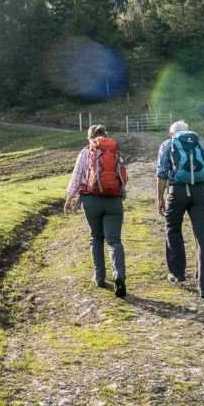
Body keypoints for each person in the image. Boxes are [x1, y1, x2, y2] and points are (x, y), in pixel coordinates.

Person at [156, 119, 204, 297]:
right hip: (200, 193)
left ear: (171, 134)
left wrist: (160, 198)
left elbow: (161, 173)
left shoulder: (167, 145)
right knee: (202, 238)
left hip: (177, 192)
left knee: (173, 228)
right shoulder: (200, 146)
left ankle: (178, 273)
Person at [64, 124, 128, 297]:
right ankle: (118, 274)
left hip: (91, 200)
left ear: (90, 138)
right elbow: (124, 178)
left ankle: (99, 277)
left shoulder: (86, 152)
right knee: (114, 241)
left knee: (96, 238)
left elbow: (77, 177)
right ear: (105, 136)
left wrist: (69, 199)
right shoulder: (115, 152)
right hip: (114, 200)